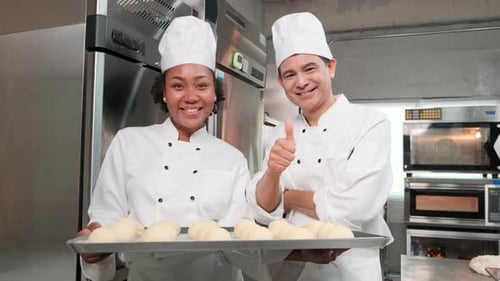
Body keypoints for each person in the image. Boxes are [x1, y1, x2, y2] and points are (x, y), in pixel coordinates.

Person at [76, 16, 250, 281]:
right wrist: (95, 246)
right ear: (165, 92)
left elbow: (239, 241)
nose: (191, 96)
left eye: (201, 85)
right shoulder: (129, 142)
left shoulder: (233, 159)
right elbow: (107, 218)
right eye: (178, 85)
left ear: (214, 93)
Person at [246, 12, 393, 281]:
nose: (301, 82)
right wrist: (274, 174)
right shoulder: (279, 132)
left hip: (351, 268)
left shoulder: (370, 123)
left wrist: (288, 198)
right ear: (281, 82)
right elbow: (262, 209)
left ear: (331, 67)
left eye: (310, 68)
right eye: (290, 74)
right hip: (289, 266)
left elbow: (357, 208)